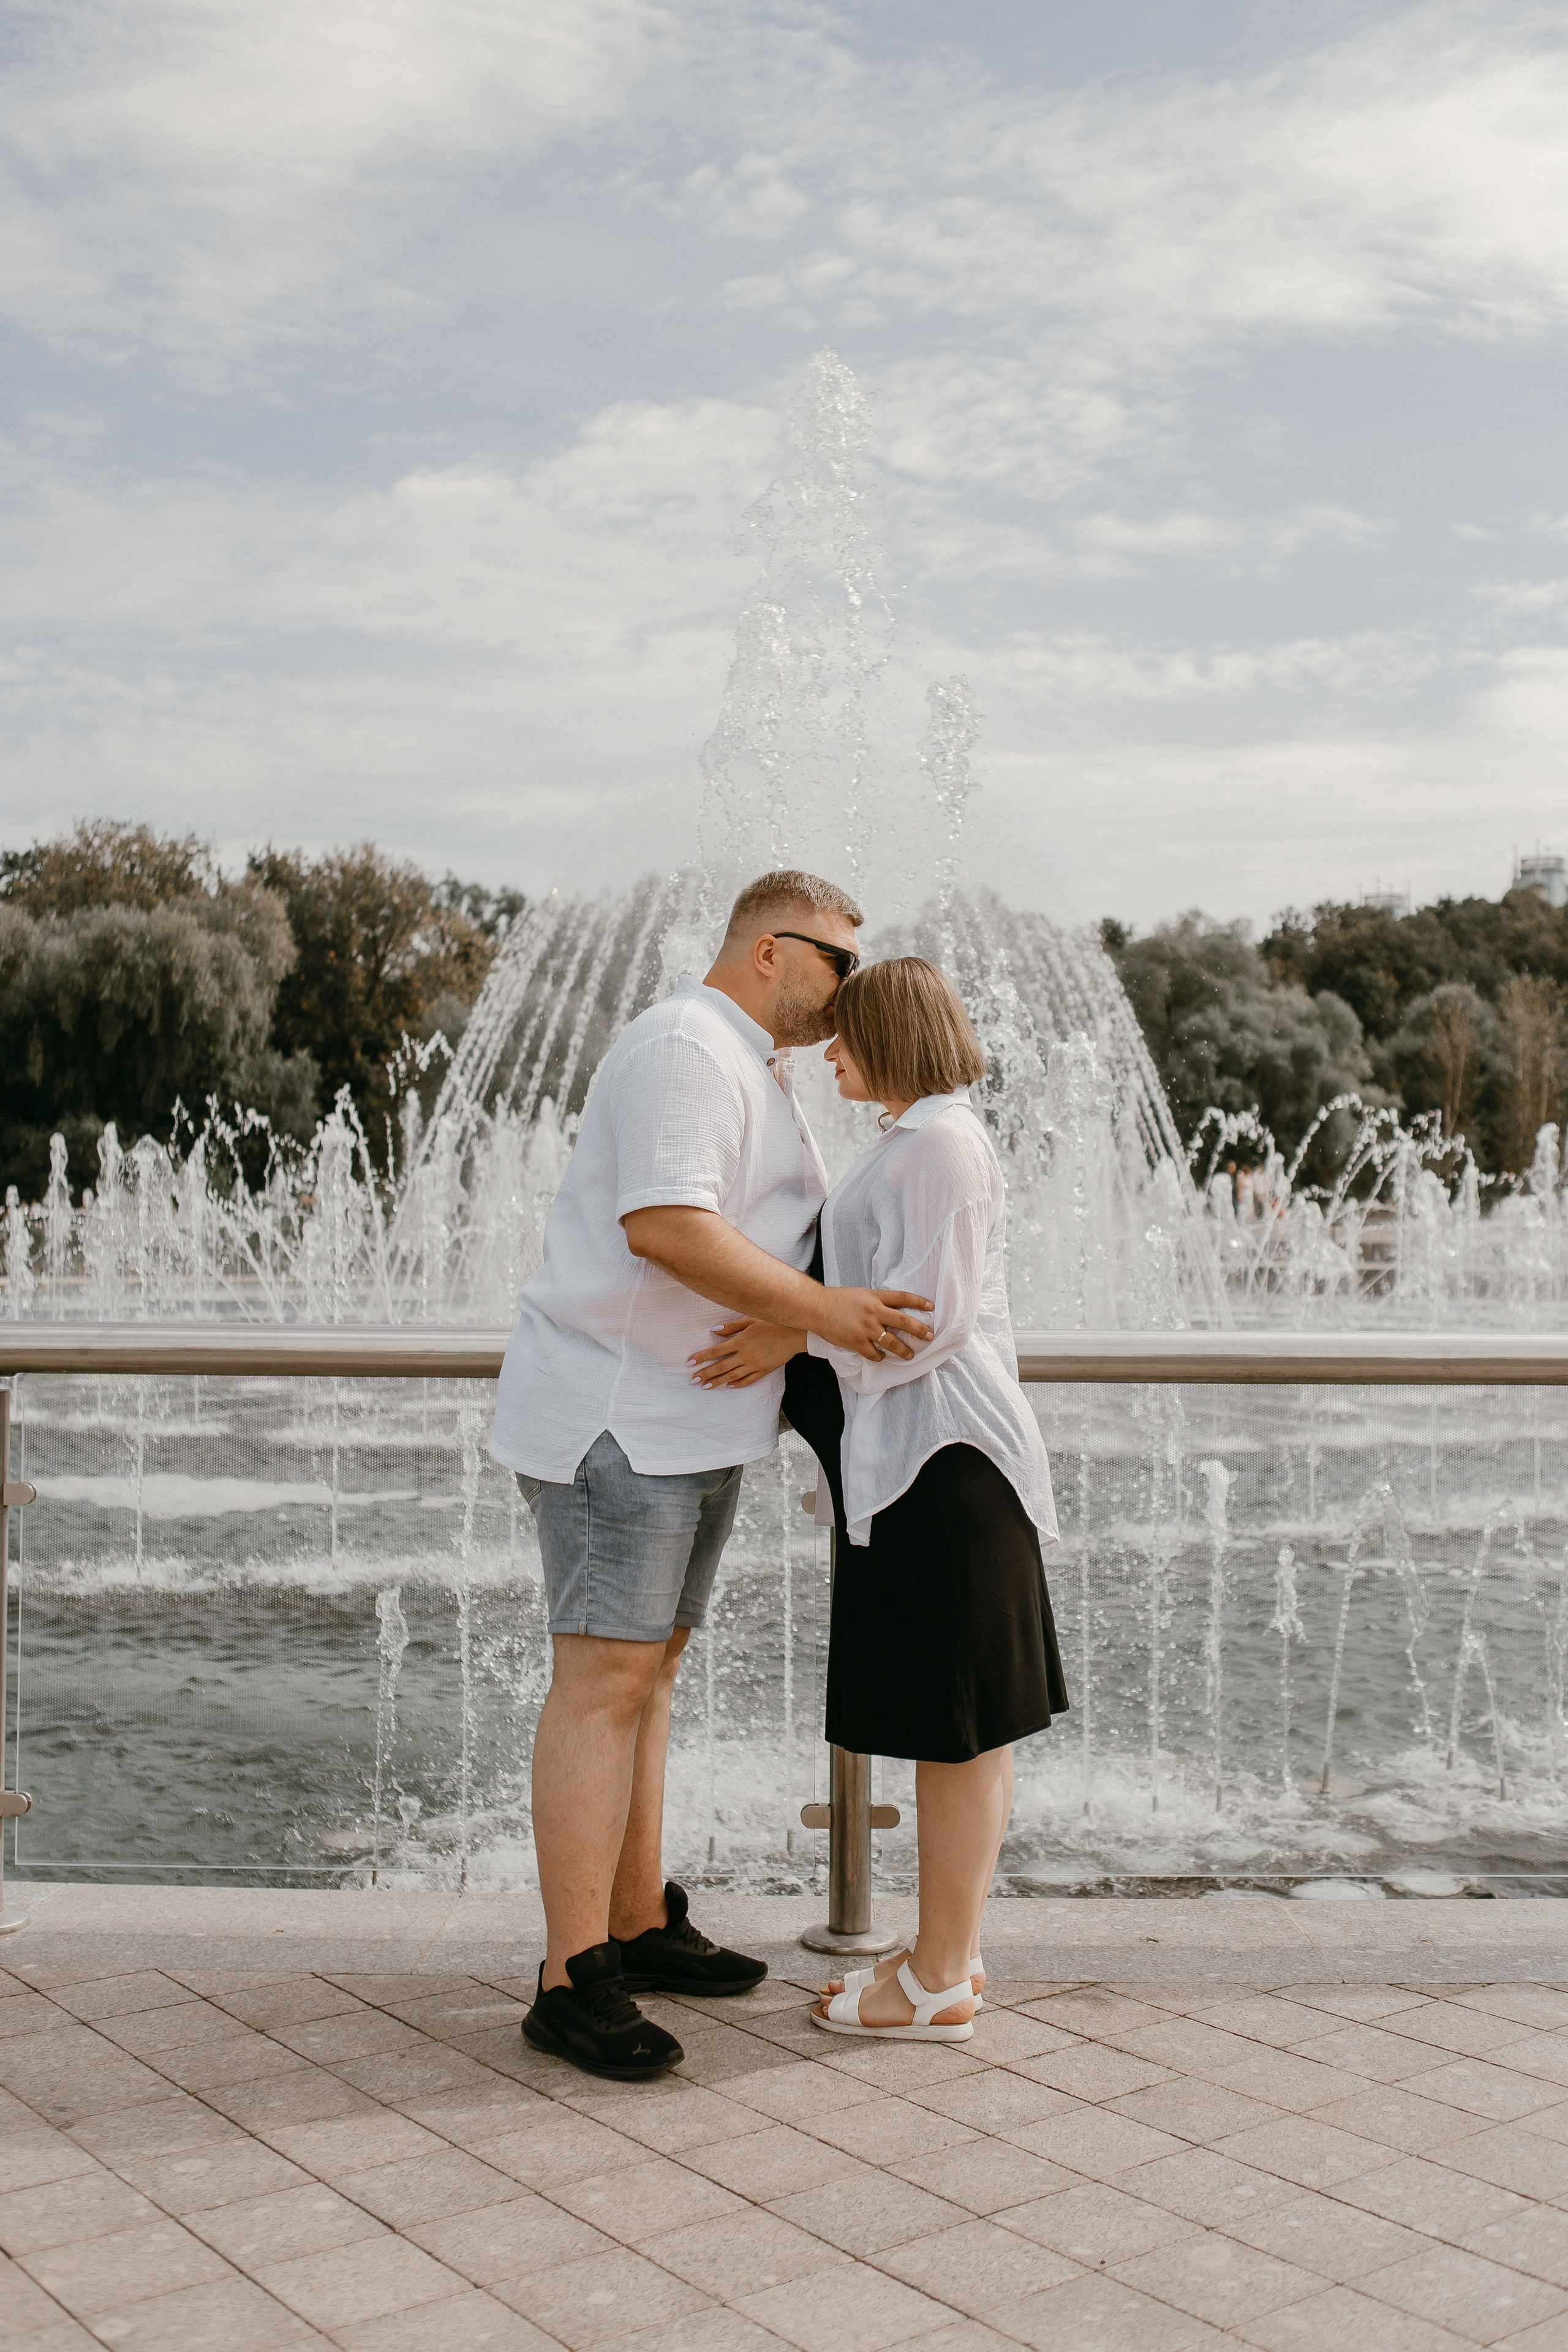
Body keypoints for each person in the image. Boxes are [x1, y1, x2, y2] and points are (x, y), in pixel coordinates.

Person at [489, 873, 937, 2082]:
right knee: (602, 1678)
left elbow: (745, 1239)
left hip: (679, 1423)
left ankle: (633, 1923)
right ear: (766, 953)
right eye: (840, 963)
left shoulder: (747, 1061)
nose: (852, 987)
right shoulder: (687, 1046)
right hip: (618, 1420)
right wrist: (832, 1315)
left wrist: (793, 1325)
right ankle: (569, 1978)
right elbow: (666, 1226)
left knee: (648, 1669)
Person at [691, 955, 1065, 2042]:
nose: (828, 1050)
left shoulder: (941, 1143)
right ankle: (944, 1954)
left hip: (947, 1468)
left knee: (957, 1735)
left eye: (845, 1033)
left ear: (894, 1033)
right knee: (956, 1731)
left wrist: (791, 1331)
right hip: (920, 1467)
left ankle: (940, 1979)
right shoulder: (916, 1139)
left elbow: (926, 1322)